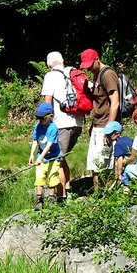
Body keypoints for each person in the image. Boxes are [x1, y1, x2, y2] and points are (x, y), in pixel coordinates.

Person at [40, 51, 83, 202]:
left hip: (61, 124)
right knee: (62, 159)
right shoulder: (72, 72)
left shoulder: (50, 76)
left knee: (56, 161)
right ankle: (68, 190)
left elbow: (47, 102)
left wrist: (45, 124)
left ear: (48, 65)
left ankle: (62, 197)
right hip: (77, 123)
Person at [80, 49, 120, 191]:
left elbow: (115, 102)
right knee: (95, 165)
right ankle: (99, 196)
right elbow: (99, 103)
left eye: (90, 65)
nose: (89, 69)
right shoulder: (97, 75)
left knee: (103, 165)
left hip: (105, 126)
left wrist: (109, 128)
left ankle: (104, 197)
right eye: (86, 66)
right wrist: (93, 124)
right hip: (98, 125)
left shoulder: (108, 74)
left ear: (97, 59)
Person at [29, 102, 62, 210]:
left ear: (50, 116)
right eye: (39, 119)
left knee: (52, 178)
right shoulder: (37, 127)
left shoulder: (53, 128)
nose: (41, 121)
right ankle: (39, 201)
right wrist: (32, 155)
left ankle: (52, 200)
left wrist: (40, 158)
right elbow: (35, 140)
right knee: (39, 178)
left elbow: (49, 145)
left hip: (53, 157)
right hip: (41, 157)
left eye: (42, 118)